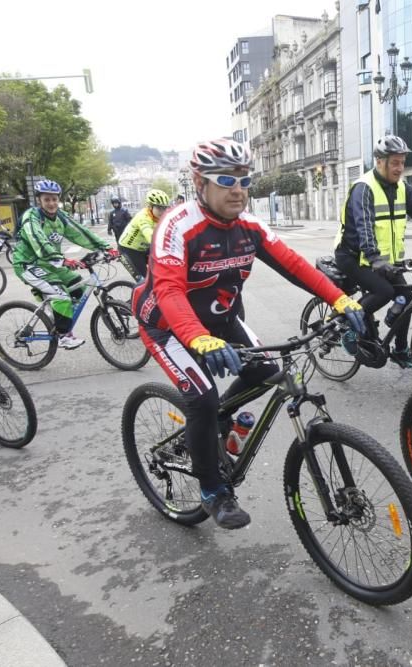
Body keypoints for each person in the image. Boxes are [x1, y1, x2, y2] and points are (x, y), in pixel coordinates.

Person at [133, 138, 366, 529]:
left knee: (267, 372)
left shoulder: (249, 227)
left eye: (244, 180)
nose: (238, 189)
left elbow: (294, 265)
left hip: (223, 321)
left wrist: (341, 300)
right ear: (199, 182)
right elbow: (169, 290)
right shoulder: (177, 225)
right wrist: (197, 338)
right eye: (226, 180)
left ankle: (217, 425)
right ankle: (213, 492)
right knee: (202, 399)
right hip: (168, 326)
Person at [334, 135, 412, 367]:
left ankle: (401, 351)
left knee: (406, 297)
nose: (400, 168)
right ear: (379, 161)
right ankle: (346, 324)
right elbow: (364, 225)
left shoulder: (403, 188)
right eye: (395, 162)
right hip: (353, 256)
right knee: (383, 291)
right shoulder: (364, 188)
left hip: (384, 261)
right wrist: (374, 257)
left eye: (402, 162)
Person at [12, 179, 117, 350]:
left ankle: (56, 313)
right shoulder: (32, 217)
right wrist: (62, 260)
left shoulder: (60, 217)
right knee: (61, 295)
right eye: (47, 199)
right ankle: (63, 336)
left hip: (50, 265)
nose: (52, 203)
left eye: (54, 199)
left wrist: (105, 247)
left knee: (78, 289)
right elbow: (38, 240)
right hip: (28, 264)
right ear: (39, 200)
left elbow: (80, 233)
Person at [118, 189, 169, 281]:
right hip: (129, 250)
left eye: (164, 208)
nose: (162, 211)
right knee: (144, 281)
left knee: (165, 266)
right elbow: (150, 236)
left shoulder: (160, 217)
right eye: (159, 208)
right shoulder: (143, 217)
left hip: (144, 248)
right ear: (150, 206)